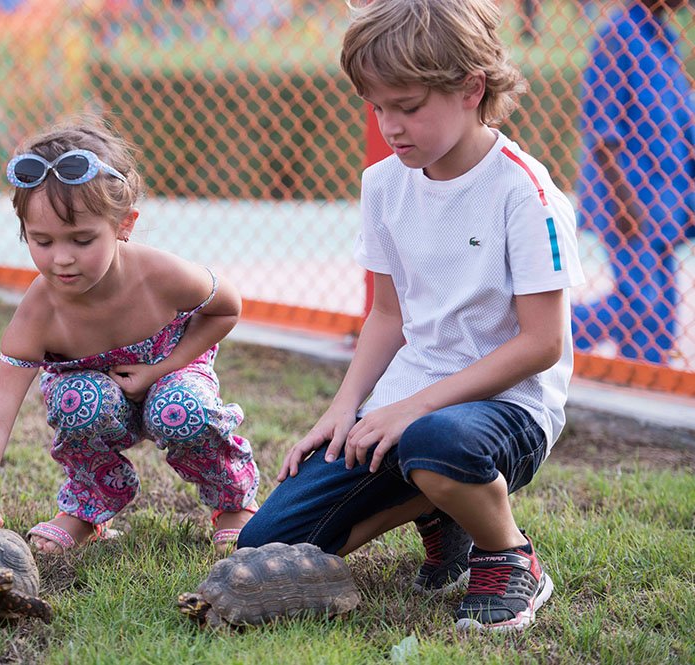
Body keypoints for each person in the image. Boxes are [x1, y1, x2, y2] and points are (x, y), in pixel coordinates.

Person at [238, 0, 585, 632]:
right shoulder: (383, 185)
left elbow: (540, 344)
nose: (390, 126)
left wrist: (412, 409)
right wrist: (345, 408)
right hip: (409, 404)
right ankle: (441, 513)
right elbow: (387, 318)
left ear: (471, 88)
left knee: (435, 443)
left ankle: (510, 556)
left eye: (408, 106)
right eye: (377, 107)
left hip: (509, 407)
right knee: (266, 550)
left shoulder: (524, 192)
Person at [0, 117, 259, 555]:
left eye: (82, 239)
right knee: (77, 402)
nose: (62, 259)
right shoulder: (39, 312)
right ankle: (90, 509)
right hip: (97, 396)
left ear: (124, 224)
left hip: (169, 375)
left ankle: (233, 503)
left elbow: (228, 308)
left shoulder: (160, 274)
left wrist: (159, 369)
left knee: (182, 409)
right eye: (42, 241)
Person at [571, 0, 694, 365]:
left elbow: (681, 121)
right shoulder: (617, 36)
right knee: (641, 304)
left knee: (663, 314)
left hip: (667, 202)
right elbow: (601, 132)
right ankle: (546, 335)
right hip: (629, 200)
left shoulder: (665, 38)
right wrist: (623, 201)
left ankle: (640, 374)